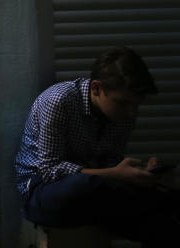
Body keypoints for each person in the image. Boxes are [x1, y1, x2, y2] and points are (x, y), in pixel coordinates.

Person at [14, 47, 178, 246]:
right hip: (42, 190)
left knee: (158, 200)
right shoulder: (59, 100)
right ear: (96, 89)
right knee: (92, 187)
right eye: (123, 103)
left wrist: (141, 172)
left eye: (136, 105)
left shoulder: (123, 115)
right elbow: (50, 171)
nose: (132, 113)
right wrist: (116, 174)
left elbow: (110, 163)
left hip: (97, 191)